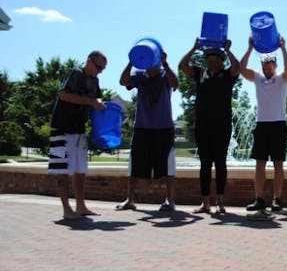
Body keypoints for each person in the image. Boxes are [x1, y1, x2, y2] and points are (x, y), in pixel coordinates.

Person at [178, 38, 240, 215]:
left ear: (222, 62)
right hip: (203, 126)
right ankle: (205, 203)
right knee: (205, 164)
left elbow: (237, 68)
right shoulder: (200, 74)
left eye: (216, 61)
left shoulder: (227, 75)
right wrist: (194, 47)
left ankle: (220, 202)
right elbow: (182, 66)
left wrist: (228, 50)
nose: (212, 64)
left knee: (220, 164)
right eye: (210, 61)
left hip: (222, 126)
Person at [115, 50, 179, 212]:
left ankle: (169, 201)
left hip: (164, 128)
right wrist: (132, 61)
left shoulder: (166, 75)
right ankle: (130, 200)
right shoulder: (139, 75)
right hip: (142, 127)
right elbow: (123, 82)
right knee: (135, 164)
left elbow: (176, 84)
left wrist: (166, 63)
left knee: (168, 166)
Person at [240, 35, 287, 220]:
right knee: (260, 164)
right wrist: (249, 48)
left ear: (275, 66)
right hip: (262, 125)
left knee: (278, 163)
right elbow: (241, 69)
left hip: (278, 124)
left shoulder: (282, 78)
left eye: (270, 66)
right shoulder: (257, 77)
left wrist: (283, 48)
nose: (267, 69)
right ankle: (259, 199)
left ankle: (277, 200)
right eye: (265, 66)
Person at [48, 51, 108, 219]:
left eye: (103, 69)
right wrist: (91, 102)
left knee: (80, 169)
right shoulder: (75, 73)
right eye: (98, 67)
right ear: (89, 61)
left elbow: (97, 100)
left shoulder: (95, 81)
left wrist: (102, 105)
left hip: (79, 130)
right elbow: (64, 95)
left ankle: (81, 206)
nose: (100, 71)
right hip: (61, 128)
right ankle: (66, 209)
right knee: (61, 169)